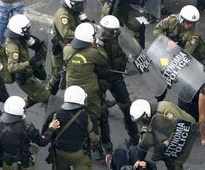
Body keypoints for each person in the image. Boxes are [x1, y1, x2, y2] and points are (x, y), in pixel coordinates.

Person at [129, 99, 197, 170]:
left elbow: (181, 125)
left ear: (145, 114)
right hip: (173, 130)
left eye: (141, 120)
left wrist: (170, 141)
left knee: (173, 160)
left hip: (187, 130)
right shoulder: (150, 117)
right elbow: (145, 139)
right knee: (166, 154)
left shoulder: (165, 111)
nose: (140, 123)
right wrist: (139, 159)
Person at [63, 22, 108, 159]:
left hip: (71, 89)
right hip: (90, 91)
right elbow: (104, 59)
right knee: (95, 117)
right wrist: (98, 44)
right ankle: (96, 146)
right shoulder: (93, 52)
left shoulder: (67, 50)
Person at [97, 15, 139, 155]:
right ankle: (104, 145)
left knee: (127, 106)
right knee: (100, 113)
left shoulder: (121, 38)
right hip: (100, 78)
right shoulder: (95, 41)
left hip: (115, 76)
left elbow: (134, 50)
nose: (107, 33)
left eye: (111, 31)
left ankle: (134, 135)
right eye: (106, 30)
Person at [0, 14, 50, 108]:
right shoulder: (12, 46)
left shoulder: (19, 38)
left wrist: (31, 40)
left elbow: (34, 45)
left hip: (29, 71)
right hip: (25, 77)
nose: (28, 31)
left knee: (37, 91)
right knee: (45, 97)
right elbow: (12, 68)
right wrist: (30, 62)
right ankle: (16, 109)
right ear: (20, 31)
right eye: (26, 29)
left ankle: (27, 102)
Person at [46, 0, 87, 95]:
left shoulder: (74, 12)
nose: (81, 6)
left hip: (72, 47)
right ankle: (47, 96)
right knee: (57, 75)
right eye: (78, 4)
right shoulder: (63, 14)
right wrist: (84, 33)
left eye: (82, 3)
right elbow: (66, 33)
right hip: (61, 48)